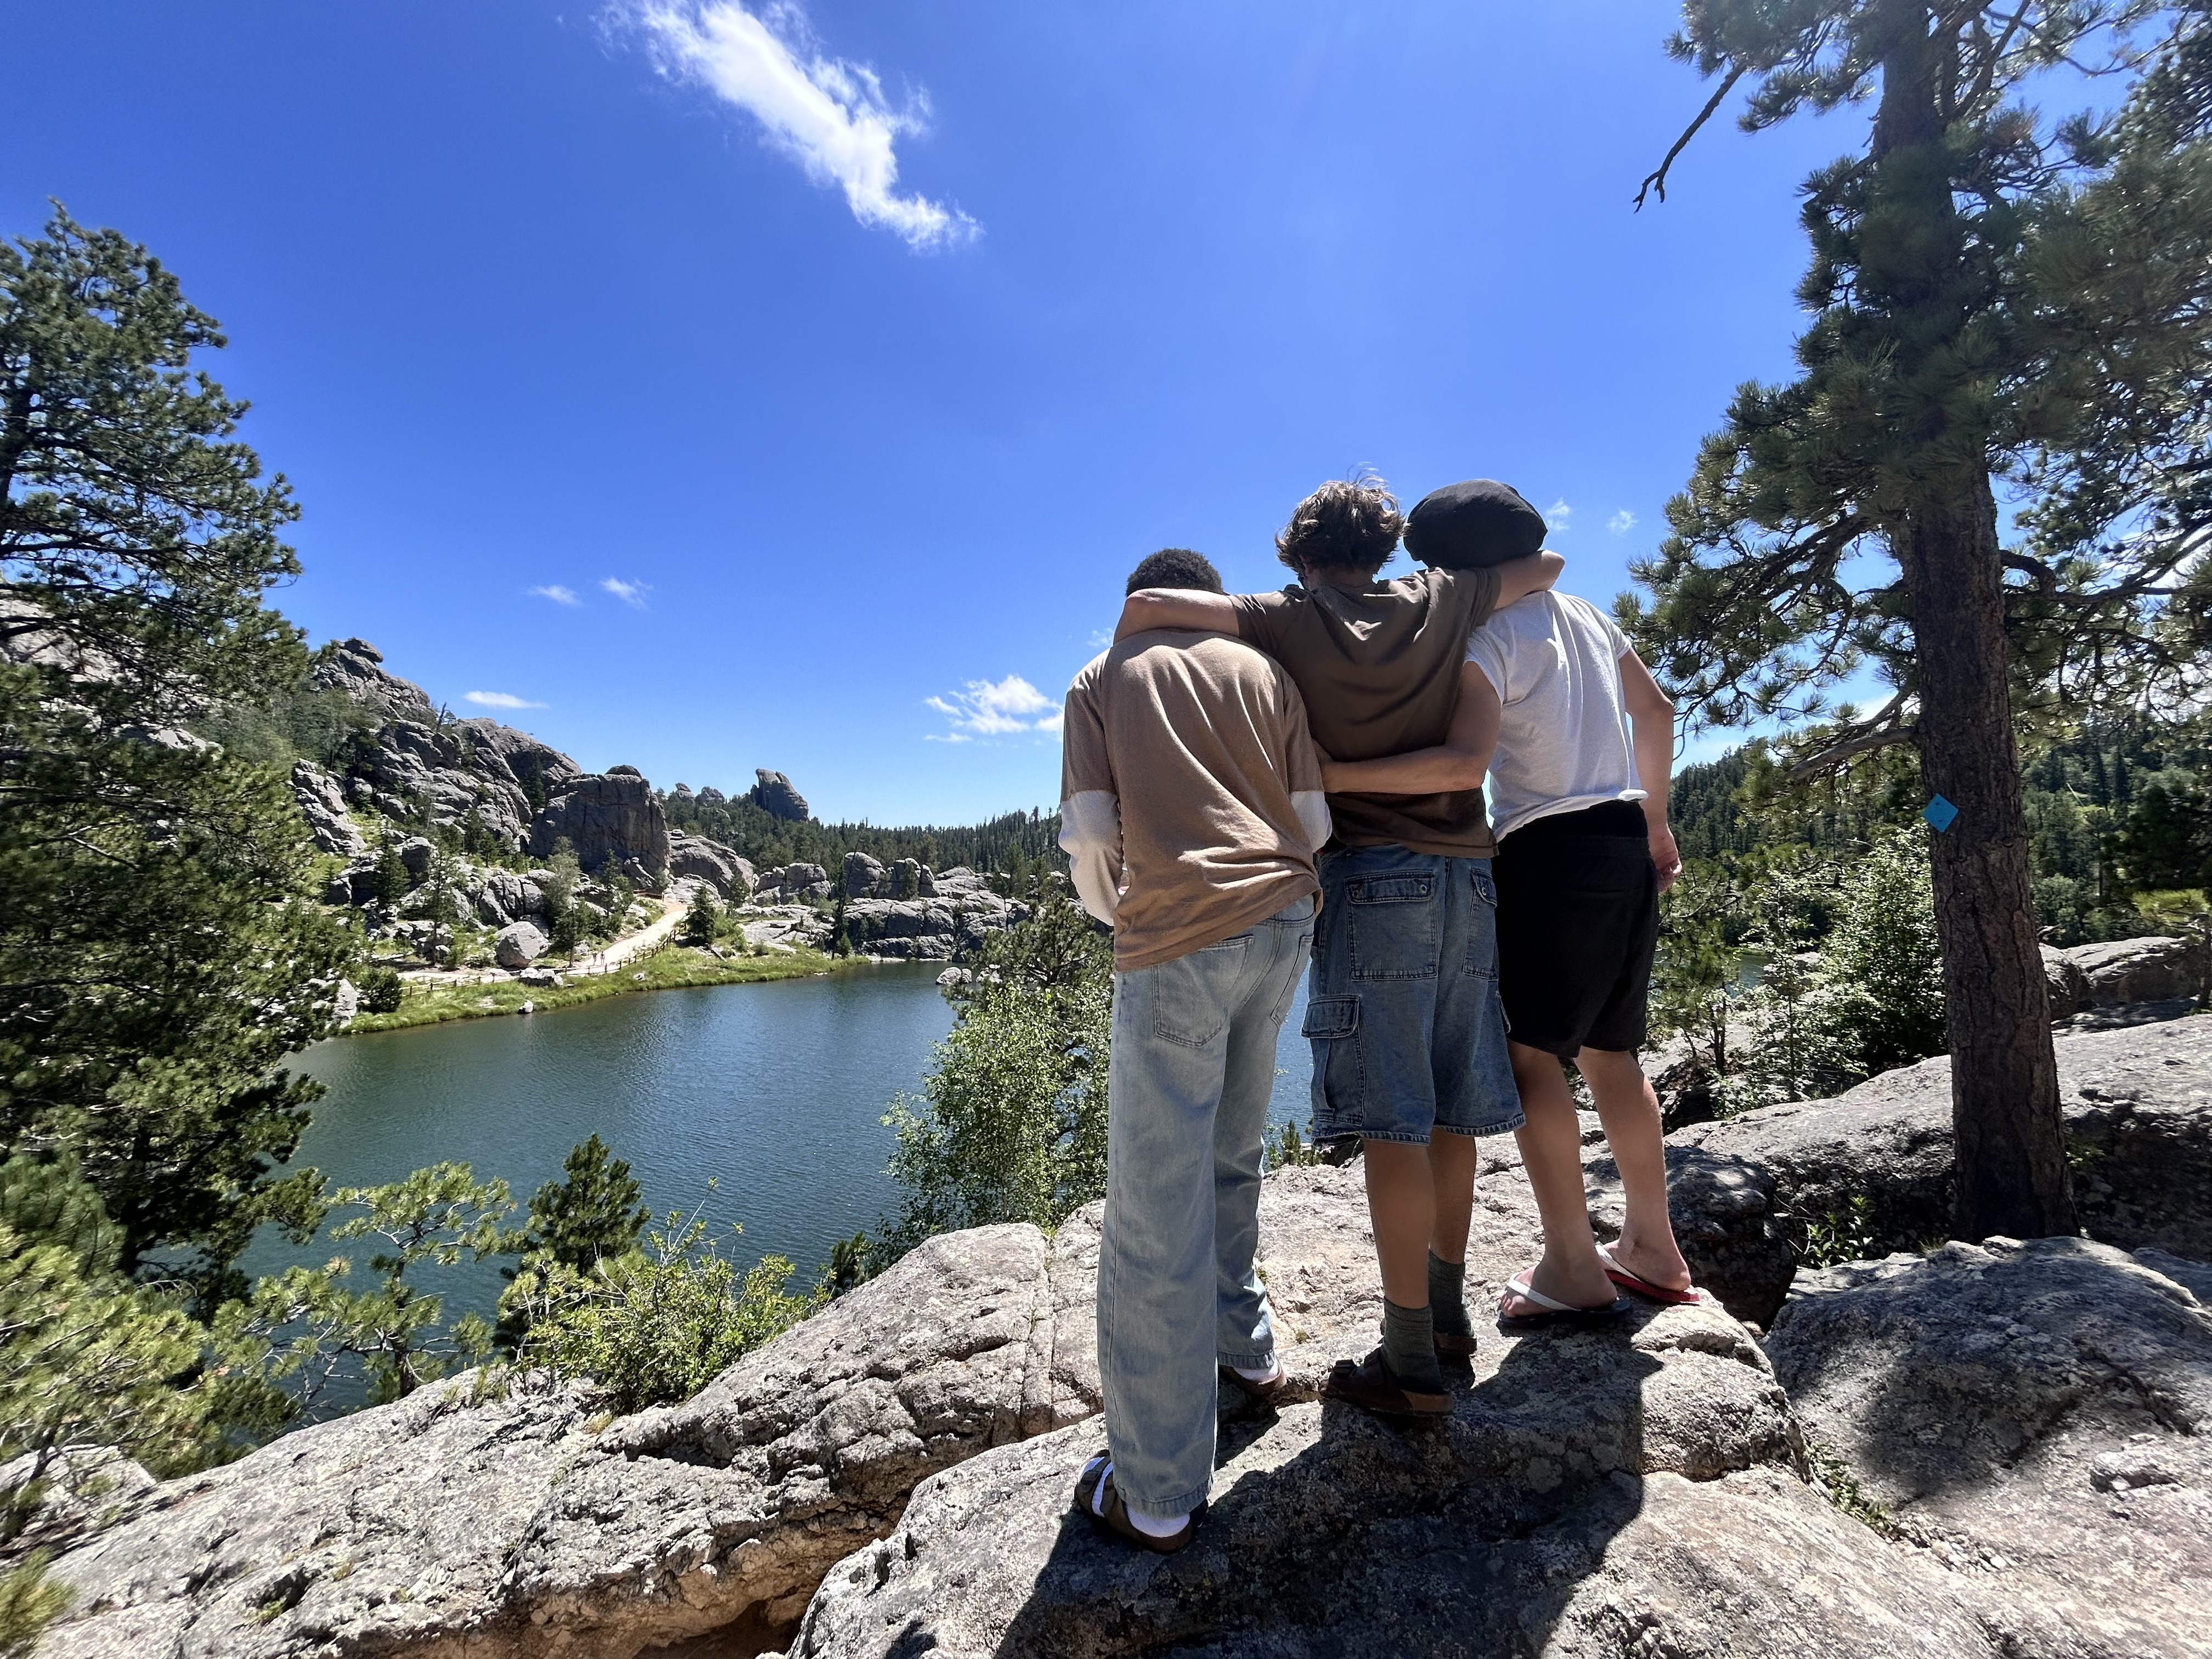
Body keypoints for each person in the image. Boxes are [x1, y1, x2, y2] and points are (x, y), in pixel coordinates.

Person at [1114, 479, 1562, 1417]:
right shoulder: (1442, 596)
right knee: (1449, 1112)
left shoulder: (1285, 617)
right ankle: (1448, 1316)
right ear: (1386, 545)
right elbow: (1546, 565)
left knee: (1392, 1119)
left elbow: (1150, 604)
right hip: (1469, 875)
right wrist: (1459, 582)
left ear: (1300, 554)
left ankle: (1409, 1364)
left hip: (1370, 879)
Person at [1319, 478, 1698, 1327]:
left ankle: (1573, 1264)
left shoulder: (1488, 638)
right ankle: (1653, 1247)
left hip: (1550, 853)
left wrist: (1333, 774)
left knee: (1532, 1059)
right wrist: (1656, 822)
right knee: (1612, 1054)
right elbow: (1657, 711)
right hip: (1622, 839)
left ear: (1456, 572)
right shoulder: (1589, 617)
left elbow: (1463, 764)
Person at [1059, 546, 1331, 1553]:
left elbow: (1093, 838)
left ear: (1137, 599)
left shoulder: (1103, 678)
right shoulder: (1266, 673)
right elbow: (1314, 822)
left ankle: (1158, 1490)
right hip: (1284, 920)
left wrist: (1128, 919)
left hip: (1177, 933)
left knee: (1151, 1206)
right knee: (1232, 1149)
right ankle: (1246, 1354)